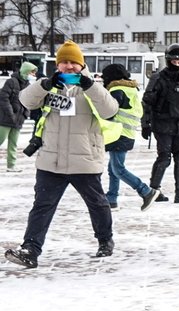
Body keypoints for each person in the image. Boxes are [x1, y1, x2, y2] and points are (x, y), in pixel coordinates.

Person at [4, 41, 118, 269]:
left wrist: (90, 86)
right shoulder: (48, 86)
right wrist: (44, 85)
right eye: (64, 62)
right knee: (42, 206)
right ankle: (30, 250)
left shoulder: (92, 87)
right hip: (51, 161)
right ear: (58, 65)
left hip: (83, 160)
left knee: (97, 204)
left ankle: (105, 240)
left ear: (81, 63)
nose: (68, 66)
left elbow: (110, 110)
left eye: (73, 62)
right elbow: (25, 100)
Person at [141, 43, 179, 204]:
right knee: (164, 157)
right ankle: (154, 190)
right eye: (174, 61)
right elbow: (147, 102)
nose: (177, 64)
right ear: (168, 61)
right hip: (163, 124)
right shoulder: (159, 78)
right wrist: (145, 124)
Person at [101, 64, 160, 210]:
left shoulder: (116, 91)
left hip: (117, 134)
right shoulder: (132, 89)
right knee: (113, 168)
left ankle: (146, 191)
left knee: (118, 169)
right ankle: (112, 199)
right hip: (127, 134)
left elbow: (108, 112)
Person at [0, 61, 37, 172]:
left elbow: (29, 101)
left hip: (19, 119)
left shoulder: (28, 85)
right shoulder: (11, 82)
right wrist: (10, 113)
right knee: (0, 140)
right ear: (26, 71)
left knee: (13, 143)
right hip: (5, 119)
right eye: (32, 72)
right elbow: (3, 98)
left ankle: (11, 165)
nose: (33, 75)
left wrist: (26, 114)